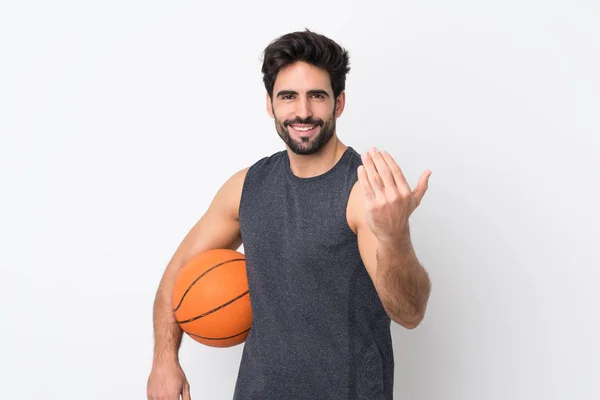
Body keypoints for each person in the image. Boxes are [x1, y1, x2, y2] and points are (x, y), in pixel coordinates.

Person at [146, 29, 432, 400]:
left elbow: (409, 313)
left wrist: (396, 238)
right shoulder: (246, 187)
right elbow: (178, 271)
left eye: (317, 96)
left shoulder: (362, 191)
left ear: (339, 103)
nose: (303, 111)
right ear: (270, 104)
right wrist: (164, 360)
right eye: (288, 97)